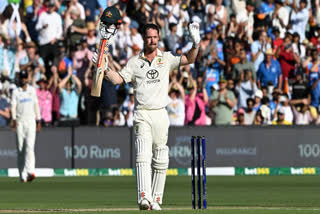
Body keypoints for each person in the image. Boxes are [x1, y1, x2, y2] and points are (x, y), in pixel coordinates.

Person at [92, 21, 200, 210]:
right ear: (143, 38)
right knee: (143, 154)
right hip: (142, 113)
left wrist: (196, 44)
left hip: (160, 113)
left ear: (158, 38)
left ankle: (156, 199)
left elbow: (189, 59)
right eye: (149, 37)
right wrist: (105, 69)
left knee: (161, 156)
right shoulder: (134, 62)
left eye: (155, 37)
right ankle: (144, 196)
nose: (152, 40)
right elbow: (118, 79)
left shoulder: (166, 58)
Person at [11, 69, 41, 182]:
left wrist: (39, 120)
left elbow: (36, 105)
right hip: (20, 121)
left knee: (30, 147)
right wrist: (13, 119)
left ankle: (30, 172)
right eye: (21, 78)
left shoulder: (32, 91)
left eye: (25, 78)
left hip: (31, 121)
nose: (23, 80)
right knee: (20, 149)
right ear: (19, 79)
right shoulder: (15, 92)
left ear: (27, 78)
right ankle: (22, 174)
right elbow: (13, 106)